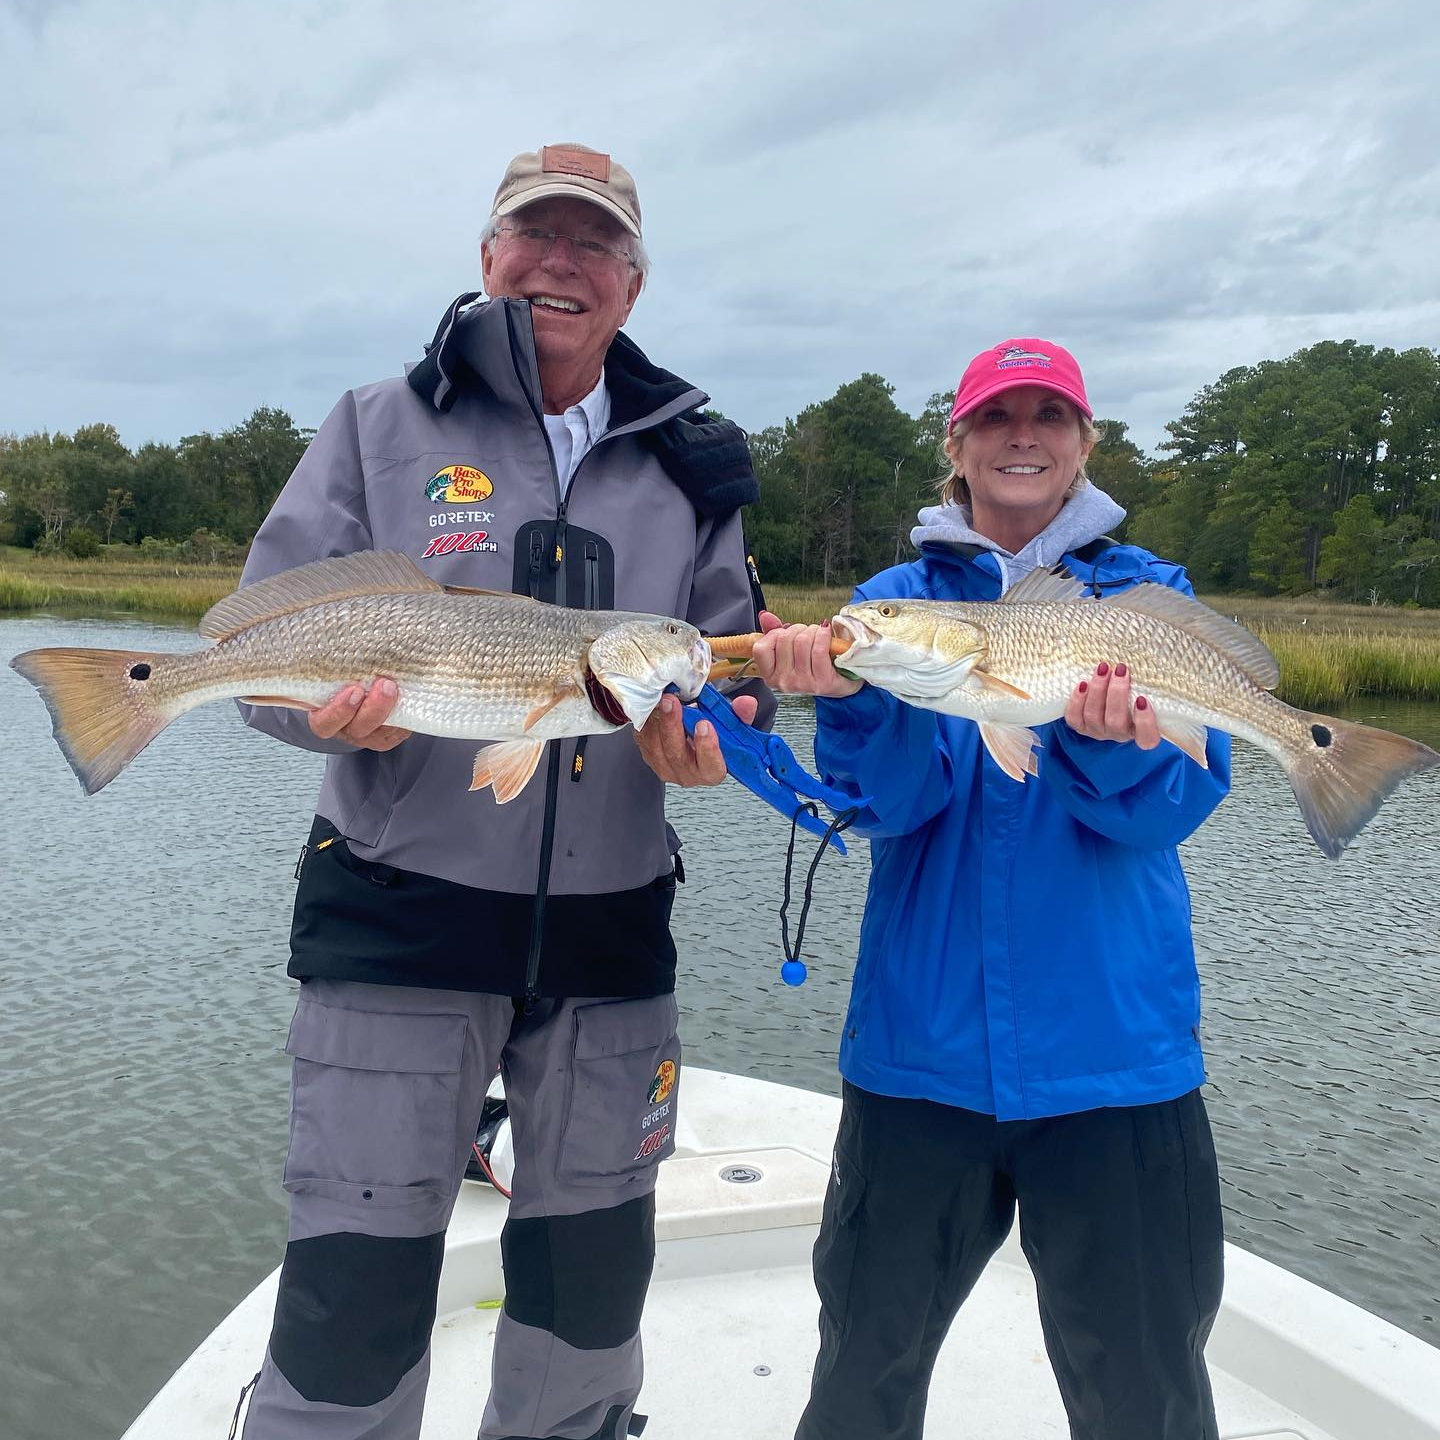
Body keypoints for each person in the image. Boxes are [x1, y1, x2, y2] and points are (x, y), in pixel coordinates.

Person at [233, 143, 770, 1440]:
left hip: (610, 937)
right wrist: (317, 714)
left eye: (594, 244)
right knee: (352, 1299)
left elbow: (722, 673)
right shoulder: (377, 424)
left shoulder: (697, 462)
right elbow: (259, 658)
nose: (560, 264)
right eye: (536, 234)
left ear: (632, 285)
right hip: (397, 923)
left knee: (591, 1290)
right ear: (487, 258)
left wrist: (716, 739)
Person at [752, 338, 1233, 1440]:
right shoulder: (889, 604)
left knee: (1148, 1397)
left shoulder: (1149, 599)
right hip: (921, 1060)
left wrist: (1108, 745)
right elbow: (887, 809)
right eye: (997, 418)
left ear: (1083, 447)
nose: (1024, 436)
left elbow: (1167, 812)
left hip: (1118, 1063)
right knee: (863, 1375)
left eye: (1049, 417)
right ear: (957, 448)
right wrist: (853, 698)